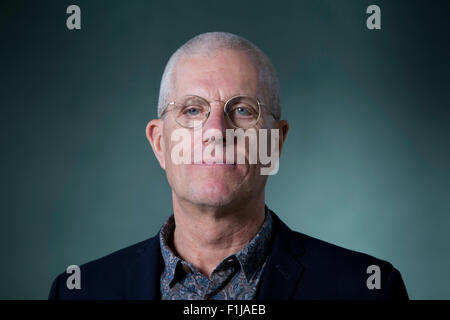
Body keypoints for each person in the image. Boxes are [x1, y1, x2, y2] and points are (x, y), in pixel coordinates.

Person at [49, 32, 408, 300]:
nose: (216, 132)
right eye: (192, 110)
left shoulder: (366, 289)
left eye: (242, 111)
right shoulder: (78, 292)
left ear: (276, 142)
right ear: (159, 143)